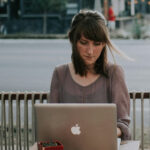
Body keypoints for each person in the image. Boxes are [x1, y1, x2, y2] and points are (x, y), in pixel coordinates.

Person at [49, 9, 131, 140]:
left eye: (97, 44)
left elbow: (123, 124)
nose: (90, 51)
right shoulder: (60, 73)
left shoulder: (114, 73)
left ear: (104, 43)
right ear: (72, 40)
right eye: (84, 42)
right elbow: (50, 121)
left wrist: (104, 133)